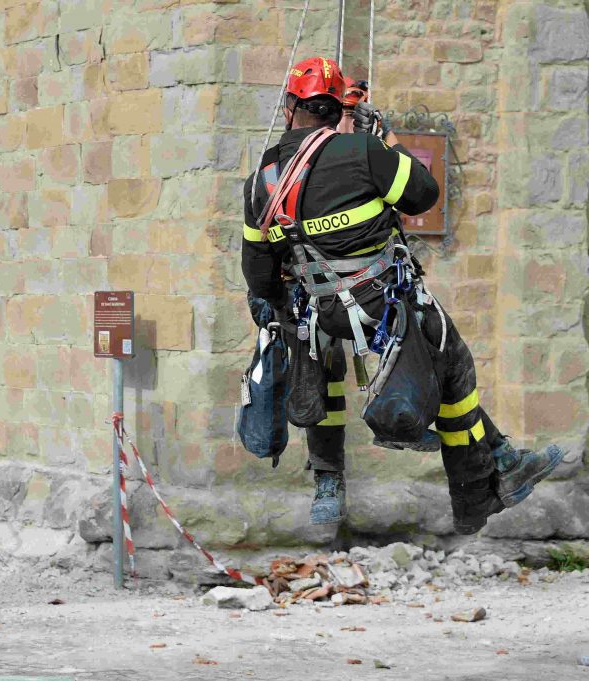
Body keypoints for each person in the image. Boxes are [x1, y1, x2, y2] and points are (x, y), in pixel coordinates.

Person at [241, 56, 563, 534]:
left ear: (290, 106)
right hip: (382, 303)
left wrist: (288, 304)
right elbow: (423, 194)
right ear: (338, 110)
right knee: (451, 362)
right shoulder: (363, 151)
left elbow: (258, 272)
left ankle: (330, 483)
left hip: (319, 312)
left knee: (322, 364)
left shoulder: (262, 180)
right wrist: (385, 137)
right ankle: (478, 489)